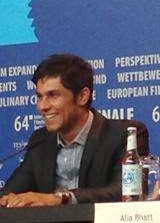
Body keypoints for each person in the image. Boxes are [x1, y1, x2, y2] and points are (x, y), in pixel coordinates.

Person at [0, 53, 149, 207]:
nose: (42, 106)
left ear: (82, 96)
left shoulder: (125, 135)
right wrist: (8, 201)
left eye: (53, 95)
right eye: (39, 97)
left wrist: (60, 198)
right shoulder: (40, 140)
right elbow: (11, 194)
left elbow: (127, 192)